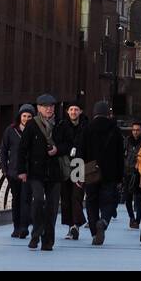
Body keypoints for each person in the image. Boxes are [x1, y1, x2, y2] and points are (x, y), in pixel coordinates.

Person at [17, 93, 68, 252]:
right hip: (36, 171)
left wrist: (57, 149)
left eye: (52, 106)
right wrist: (22, 170)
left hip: (55, 172)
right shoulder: (32, 125)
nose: (49, 109)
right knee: (38, 200)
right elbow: (22, 149)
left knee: (52, 207)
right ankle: (36, 233)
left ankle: (48, 241)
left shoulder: (61, 124)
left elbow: (70, 144)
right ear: (38, 108)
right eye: (46, 106)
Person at [79, 100, 125, 245]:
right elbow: (120, 155)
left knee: (91, 201)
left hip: (90, 170)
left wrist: (79, 174)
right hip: (110, 172)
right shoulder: (115, 130)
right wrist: (120, 176)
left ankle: (94, 232)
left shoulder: (86, 129)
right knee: (110, 201)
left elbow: (80, 152)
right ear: (108, 113)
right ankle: (103, 221)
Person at [0, 104, 34, 238]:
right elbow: (3, 150)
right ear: (20, 116)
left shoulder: (34, 130)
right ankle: (16, 227)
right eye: (24, 116)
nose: (26, 118)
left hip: (28, 171)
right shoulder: (10, 130)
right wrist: (4, 169)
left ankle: (24, 227)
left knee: (26, 199)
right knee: (16, 199)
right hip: (13, 172)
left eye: (29, 116)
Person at [58, 99, 87, 240]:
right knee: (65, 197)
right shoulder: (62, 126)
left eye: (76, 109)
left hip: (80, 164)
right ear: (67, 112)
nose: (73, 112)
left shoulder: (87, 126)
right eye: (71, 110)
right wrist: (69, 149)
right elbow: (58, 145)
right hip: (65, 164)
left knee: (76, 195)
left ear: (80, 111)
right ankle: (71, 226)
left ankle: (75, 225)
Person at [122, 120, 141, 228]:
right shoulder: (126, 141)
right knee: (127, 198)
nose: (135, 132)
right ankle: (131, 217)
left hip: (139, 173)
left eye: (137, 130)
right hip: (127, 172)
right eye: (134, 130)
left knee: (139, 198)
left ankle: (137, 220)